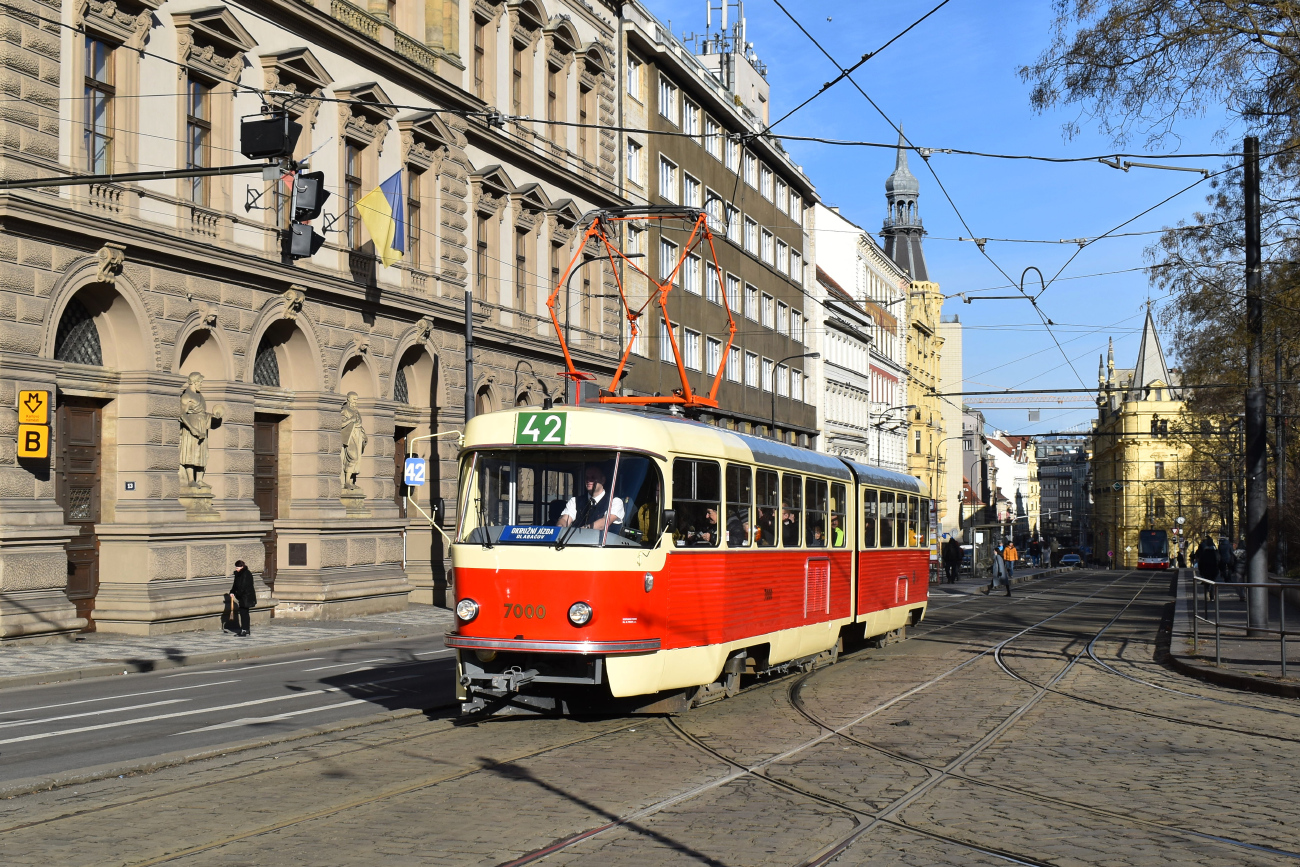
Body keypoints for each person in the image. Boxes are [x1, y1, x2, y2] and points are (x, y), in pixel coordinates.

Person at [558, 464, 624, 531]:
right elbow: (565, 519)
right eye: (587, 477)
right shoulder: (574, 501)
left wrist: (583, 531)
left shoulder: (615, 502)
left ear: (603, 480)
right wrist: (560, 527)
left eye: (593, 478)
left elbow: (603, 523)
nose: (589, 480)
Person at [227, 560, 256, 637]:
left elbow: (243, 587)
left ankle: (245, 629)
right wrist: (232, 592)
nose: (236, 569)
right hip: (242, 597)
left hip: (246, 597)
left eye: (238, 567)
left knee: (244, 613)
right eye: (236, 567)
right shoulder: (238, 574)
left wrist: (237, 594)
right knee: (244, 613)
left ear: (242, 567)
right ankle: (246, 629)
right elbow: (235, 585)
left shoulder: (246, 574)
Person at [1196, 536, 1219, 600]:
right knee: (1212, 582)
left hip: (1205, 570)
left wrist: (1200, 570)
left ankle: (1207, 593)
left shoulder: (1204, 552)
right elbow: (1219, 560)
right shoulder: (1216, 552)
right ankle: (1212, 596)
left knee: (1207, 582)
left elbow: (1201, 562)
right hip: (1214, 569)